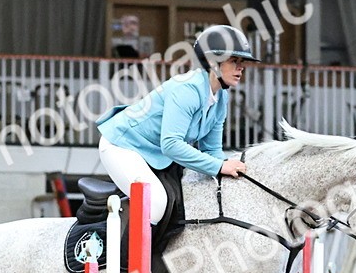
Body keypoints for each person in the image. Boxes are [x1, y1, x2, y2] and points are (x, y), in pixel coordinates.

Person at [96, 24, 260, 225]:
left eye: (242, 62)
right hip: (121, 146)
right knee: (155, 205)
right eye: (234, 61)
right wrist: (220, 166)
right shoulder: (187, 90)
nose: (241, 67)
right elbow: (171, 144)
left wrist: (228, 173)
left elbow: (212, 149)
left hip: (154, 155)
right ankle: (118, 256)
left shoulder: (221, 97)